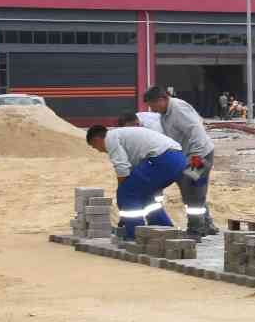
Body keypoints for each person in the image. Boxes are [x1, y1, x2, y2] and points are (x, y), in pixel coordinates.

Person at [86, 123, 186, 241]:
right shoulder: (123, 136)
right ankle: (164, 230)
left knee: (127, 193)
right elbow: (133, 172)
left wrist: (123, 193)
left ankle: (135, 236)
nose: (99, 151)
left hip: (162, 160)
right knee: (145, 195)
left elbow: (122, 168)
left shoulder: (110, 138)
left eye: (94, 147)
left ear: (97, 140)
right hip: (178, 159)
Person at [144, 85, 218, 238]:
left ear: (162, 99)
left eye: (153, 105)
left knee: (193, 190)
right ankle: (207, 224)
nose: (152, 109)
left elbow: (196, 131)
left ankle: (196, 231)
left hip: (199, 155)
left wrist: (194, 159)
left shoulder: (178, 109)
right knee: (189, 190)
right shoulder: (165, 113)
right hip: (185, 156)